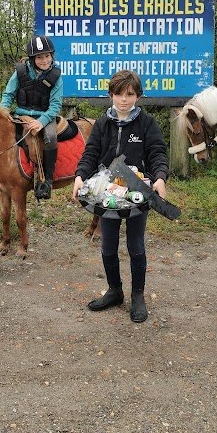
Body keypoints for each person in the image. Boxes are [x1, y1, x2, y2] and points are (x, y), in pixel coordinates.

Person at [72, 69, 169, 323]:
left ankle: (138, 296)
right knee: (108, 245)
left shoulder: (146, 123)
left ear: (138, 95)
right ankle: (115, 290)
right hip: (106, 194)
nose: (123, 100)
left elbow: (158, 152)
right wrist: (80, 175)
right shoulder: (102, 123)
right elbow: (90, 153)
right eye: (118, 94)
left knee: (135, 245)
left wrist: (159, 178)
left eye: (129, 94)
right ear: (110, 95)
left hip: (137, 191)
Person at [0, 34, 64, 199]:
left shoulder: (56, 76)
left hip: (45, 116)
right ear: (32, 58)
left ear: (52, 56)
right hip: (21, 114)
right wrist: (4, 109)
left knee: (50, 137)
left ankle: (47, 180)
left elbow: (55, 106)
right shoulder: (20, 72)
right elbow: (8, 94)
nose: (44, 60)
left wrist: (41, 122)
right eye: (40, 57)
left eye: (47, 56)